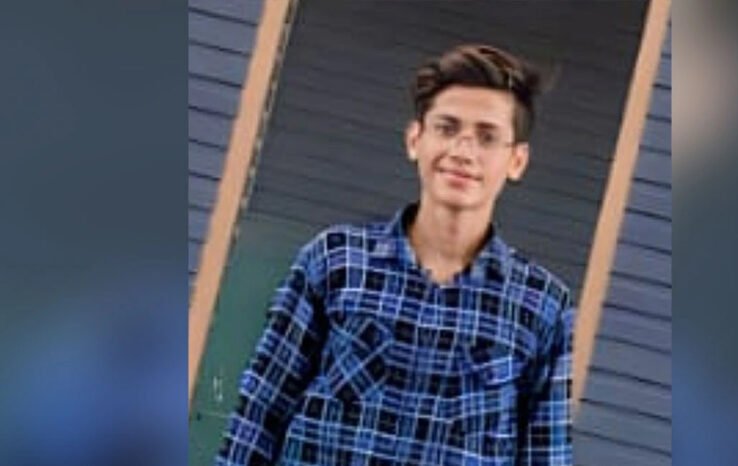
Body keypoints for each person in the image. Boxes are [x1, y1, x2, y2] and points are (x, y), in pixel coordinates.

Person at [215, 43, 576, 466]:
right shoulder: (335, 261)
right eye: (447, 128)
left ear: (516, 161)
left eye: (487, 137)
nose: (463, 152)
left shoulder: (542, 308)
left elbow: (546, 457)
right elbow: (259, 414)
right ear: (414, 139)